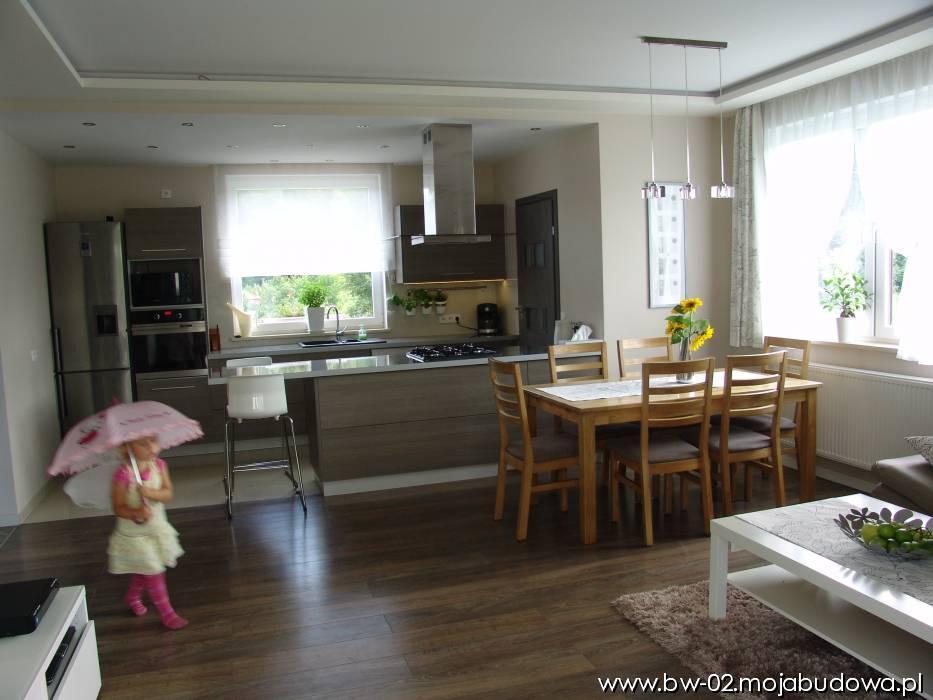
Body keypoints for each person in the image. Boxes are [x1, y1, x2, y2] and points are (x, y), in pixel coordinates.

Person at [108, 435, 187, 630]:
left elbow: (167, 493)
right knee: (153, 570)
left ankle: (132, 596)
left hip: (157, 529)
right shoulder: (123, 474)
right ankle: (167, 613)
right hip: (136, 537)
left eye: (154, 441)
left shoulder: (159, 466)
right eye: (143, 444)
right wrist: (135, 512)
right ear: (127, 447)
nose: (151, 447)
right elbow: (118, 507)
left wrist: (150, 493)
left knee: (146, 568)